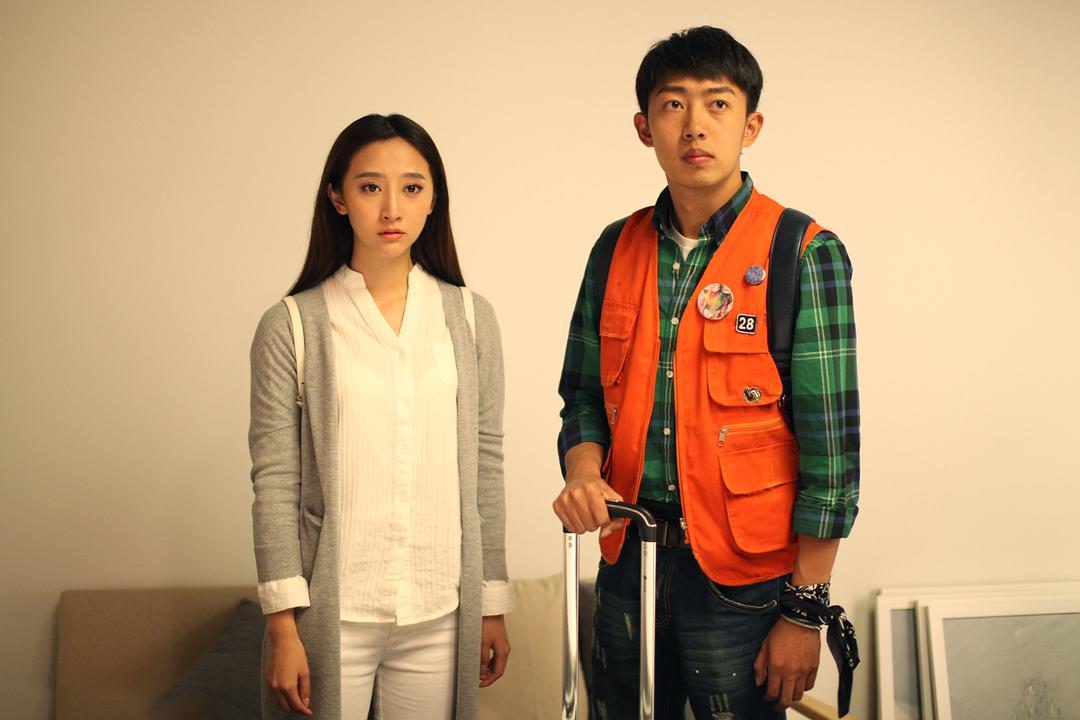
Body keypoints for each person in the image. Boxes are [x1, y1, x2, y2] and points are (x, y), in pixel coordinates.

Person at [553, 27, 860, 719]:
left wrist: (805, 610)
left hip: (744, 584)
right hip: (629, 559)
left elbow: (832, 452)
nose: (695, 124)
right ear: (644, 127)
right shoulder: (615, 248)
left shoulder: (801, 252)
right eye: (673, 105)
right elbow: (583, 396)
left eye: (718, 104)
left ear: (751, 126)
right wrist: (582, 470)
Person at [249, 114, 512, 720]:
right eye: (370, 187)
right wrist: (284, 629)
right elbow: (275, 482)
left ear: (433, 199)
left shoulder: (471, 319)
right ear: (338, 197)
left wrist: (491, 604)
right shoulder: (291, 325)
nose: (392, 208)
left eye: (412, 187)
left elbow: (486, 464)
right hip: (333, 610)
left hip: (440, 609)